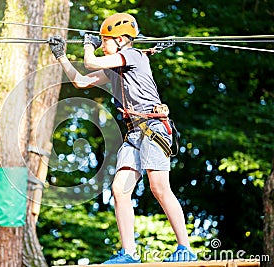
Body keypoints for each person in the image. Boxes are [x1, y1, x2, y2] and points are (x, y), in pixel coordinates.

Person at [48, 13, 197, 264]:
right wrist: (61, 56)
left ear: (121, 40)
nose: (101, 44)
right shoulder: (116, 68)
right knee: (119, 189)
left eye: (104, 40)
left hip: (153, 128)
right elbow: (81, 81)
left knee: (159, 187)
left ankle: (185, 248)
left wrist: (87, 45)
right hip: (135, 133)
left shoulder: (134, 55)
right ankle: (129, 254)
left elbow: (92, 62)